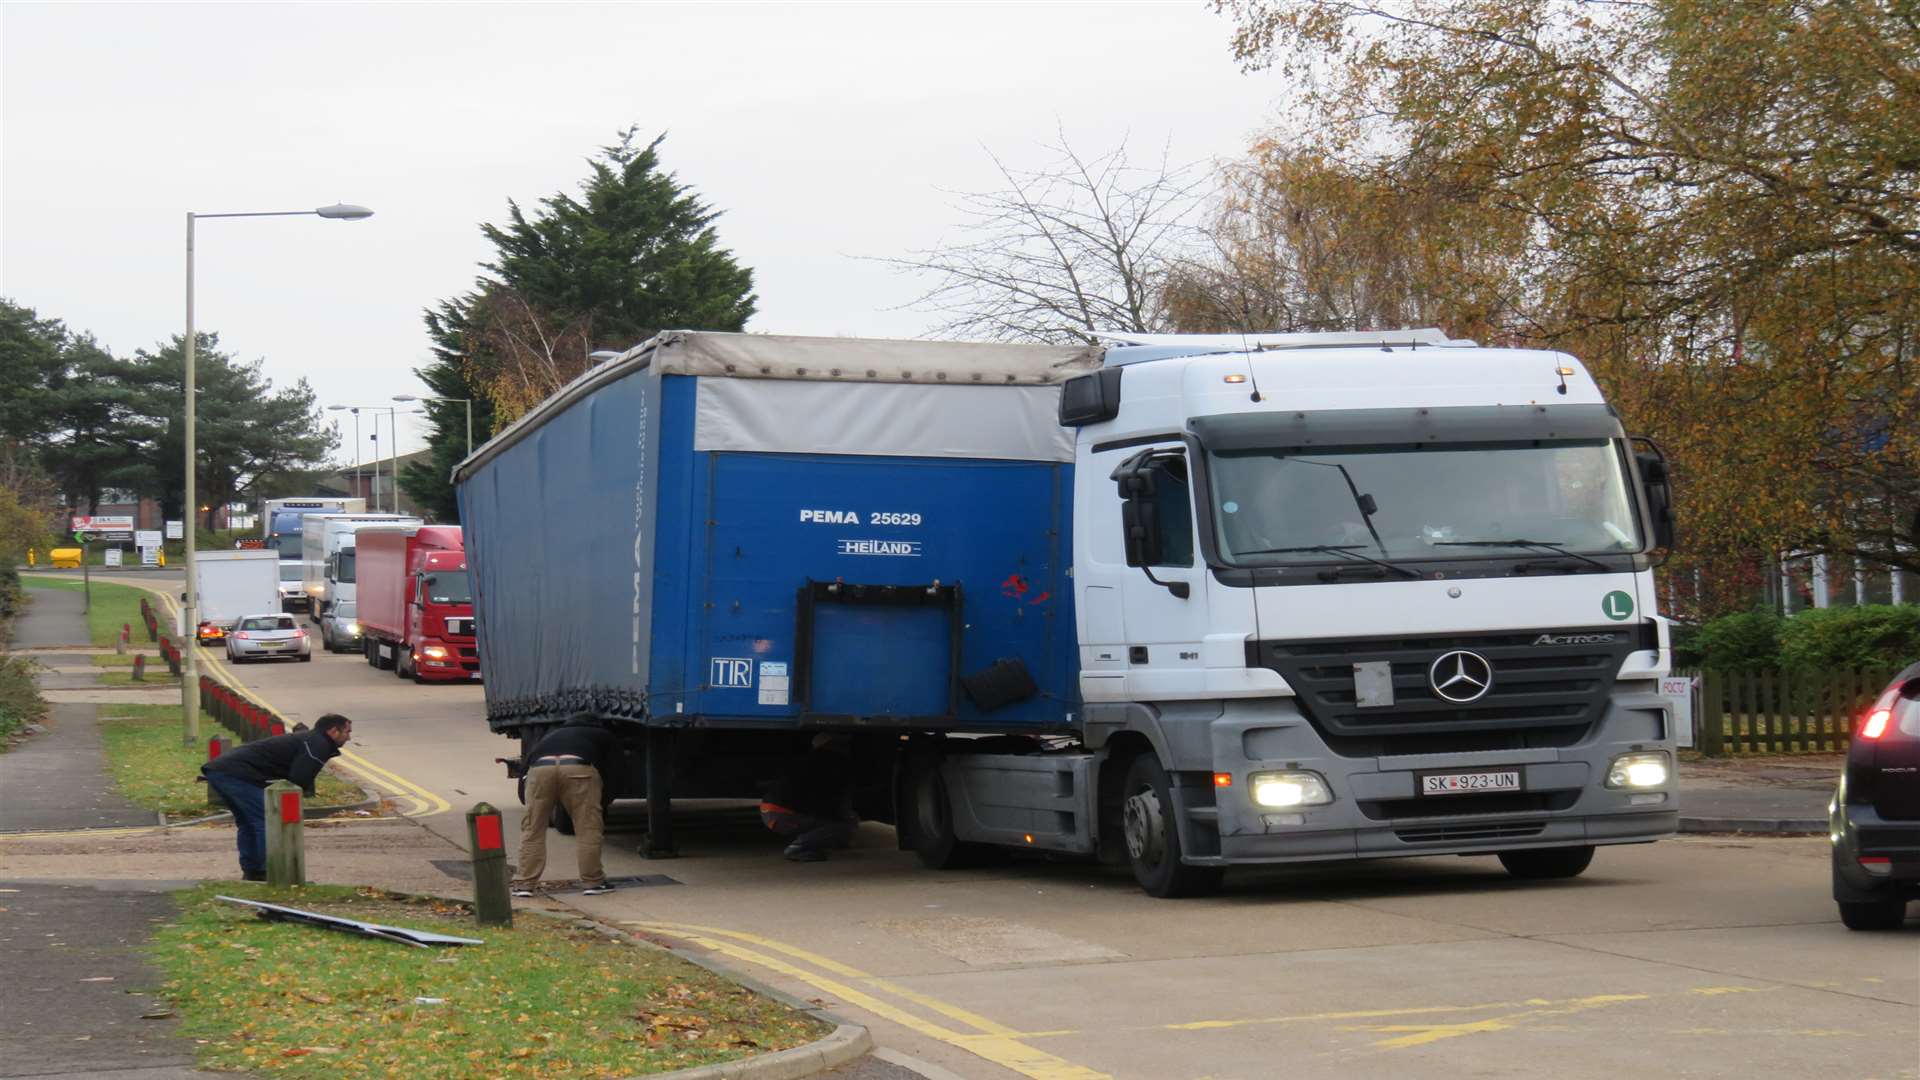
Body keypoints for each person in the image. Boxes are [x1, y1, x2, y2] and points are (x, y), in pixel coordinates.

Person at [201, 713, 352, 881]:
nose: (349, 737)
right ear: (333, 731)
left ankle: (253, 871)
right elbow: (299, 779)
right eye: (347, 732)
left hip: (222, 770)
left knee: (248, 822)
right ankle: (267, 871)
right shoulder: (318, 744)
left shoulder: (311, 740)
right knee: (264, 820)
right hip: (236, 774)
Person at [512, 714, 621, 897]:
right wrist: (604, 800)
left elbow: (526, 765)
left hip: (540, 771)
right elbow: (616, 769)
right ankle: (593, 882)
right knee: (587, 828)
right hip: (578, 769)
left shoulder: (551, 735)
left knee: (533, 829)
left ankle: (524, 884)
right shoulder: (603, 734)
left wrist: (524, 798)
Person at [761, 734, 857, 862]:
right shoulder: (834, 763)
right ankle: (797, 848)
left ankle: (807, 839)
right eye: (840, 744)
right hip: (782, 815)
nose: (844, 747)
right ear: (830, 746)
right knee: (844, 827)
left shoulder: (807, 760)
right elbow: (832, 803)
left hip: (770, 810)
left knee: (829, 822)